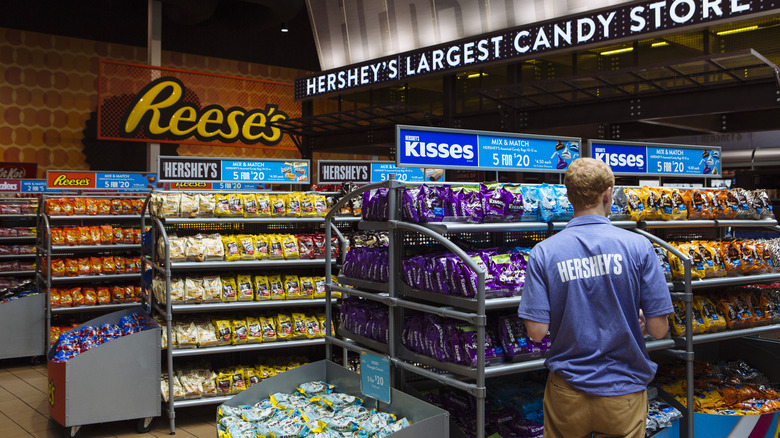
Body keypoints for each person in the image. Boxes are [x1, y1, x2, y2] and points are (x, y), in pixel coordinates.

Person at [517, 157, 673, 438]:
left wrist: (570, 313)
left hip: (567, 392)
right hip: (623, 391)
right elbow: (659, 330)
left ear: (569, 197)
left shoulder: (544, 252)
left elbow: (536, 332)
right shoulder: (639, 246)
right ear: (607, 195)